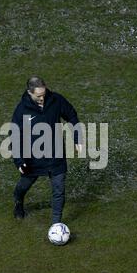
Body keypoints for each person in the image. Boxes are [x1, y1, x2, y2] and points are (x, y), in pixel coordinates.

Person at [10, 76, 82, 224]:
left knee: (59, 190)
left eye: (44, 94)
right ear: (29, 93)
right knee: (24, 186)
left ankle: (56, 224)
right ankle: (18, 202)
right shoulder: (21, 110)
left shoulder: (56, 100)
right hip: (33, 158)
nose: (42, 98)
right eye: (38, 96)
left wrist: (77, 138)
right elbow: (15, 135)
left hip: (56, 156)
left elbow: (72, 116)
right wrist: (19, 161)